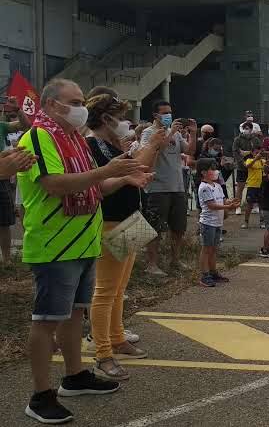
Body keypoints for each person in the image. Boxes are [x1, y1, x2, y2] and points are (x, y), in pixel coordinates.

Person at [20, 79, 148, 424]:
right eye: (74, 101)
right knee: (47, 321)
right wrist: (106, 171)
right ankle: (40, 394)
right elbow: (54, 183)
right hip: (54, 244)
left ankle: (75, 376)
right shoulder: (39, 137)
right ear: (51, 105)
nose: (82, 108)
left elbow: (97, 186)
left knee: (76, 314)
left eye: (82, 101)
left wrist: (121, 177)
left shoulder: (74, 140)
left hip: (84, 240)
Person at [84, 89, 159, 381]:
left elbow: (134, 170)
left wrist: (135, 177)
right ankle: (103, 352)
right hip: (109, 222)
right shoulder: (91, 146)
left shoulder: (112, 145)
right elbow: (98, 185)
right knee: (104, 291)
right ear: (104, 118)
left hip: (129, 220)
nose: (126, 123)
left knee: (119, 288)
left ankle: (117, 337)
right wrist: (128, 177)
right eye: (120, 117)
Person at [140, 101, 197, 276]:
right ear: (155, 116)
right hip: (158, 187)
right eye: (165, 113)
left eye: (170, 112)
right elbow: (153, 150)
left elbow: (189, 151)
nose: (169, 116)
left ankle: (175, 260)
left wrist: (193, 134)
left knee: (178, 227)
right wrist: (171, 131)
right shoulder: (149, 132)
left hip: (178, 186)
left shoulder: (177, 134)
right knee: (155, 227)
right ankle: (152, 264)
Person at [196, 159, 239, 287]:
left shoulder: (218, 186)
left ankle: (213, 272)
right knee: (206, 249)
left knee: (213, 249)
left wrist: (231, 202)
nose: (215, 171)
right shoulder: (204, 187)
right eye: (212, 169)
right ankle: (204, 275)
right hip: (208, 223)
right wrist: (228, 207)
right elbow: (212, 205)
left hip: (217, 223)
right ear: (204, 172)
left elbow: (223, 200)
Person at [0, 95, 32, 263]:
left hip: (3, 179)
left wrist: (18, 110)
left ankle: (6, 260)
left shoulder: (2, 126)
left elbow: (26, 125)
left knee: (4, 221)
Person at [233, 122, 260, 214]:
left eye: (248, 128)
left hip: (253, 167)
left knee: (254, 187)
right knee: (240, 187)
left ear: (252, 129)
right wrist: (242, 162)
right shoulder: (237, 139)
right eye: (245, 128)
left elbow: (258, 151)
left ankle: (255, 205)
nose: (247, 130)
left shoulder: (256, 140)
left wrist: (247, 153)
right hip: (241, 167)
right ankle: (238, 206)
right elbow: (236, 152)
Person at [241, 147, 265, 228]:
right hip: (252, 185)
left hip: (261, 185)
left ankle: (262, 222)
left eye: (259, 153)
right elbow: (247, 166)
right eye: (256, 152)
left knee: (261, 204)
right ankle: (246, 222)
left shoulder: (262, 161)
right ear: (252, 153)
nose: (258, 154)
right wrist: (255, 159)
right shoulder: (250, 160)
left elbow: (267, 168)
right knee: (249, 205)